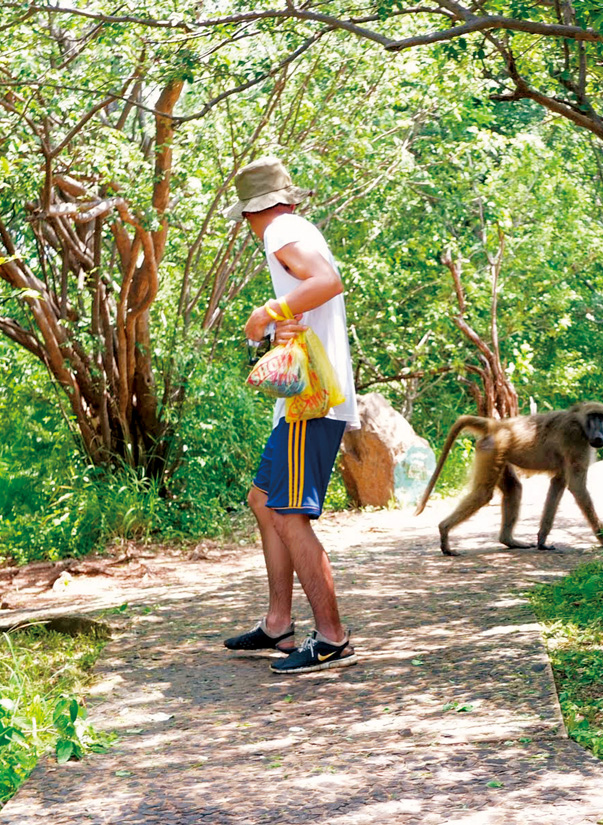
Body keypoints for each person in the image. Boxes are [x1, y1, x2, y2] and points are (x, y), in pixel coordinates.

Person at [221, 155, 360, 674]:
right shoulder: (295, 226)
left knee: (289, 512)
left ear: (252, 211)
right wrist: (287, 319)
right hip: (302, 399)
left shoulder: (280, 228)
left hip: (312, 403)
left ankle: (332, 638)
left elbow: (327, 280)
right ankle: (278, 622)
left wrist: (267, 313)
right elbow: (314, 295)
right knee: (263, 501)